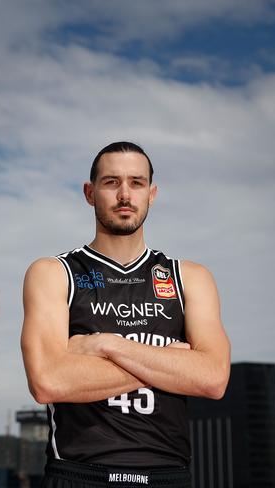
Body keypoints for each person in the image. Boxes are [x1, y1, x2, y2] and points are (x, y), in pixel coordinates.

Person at [20, 141, 230, 488]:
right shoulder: (55, 273)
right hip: (79, 474)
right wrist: (173, 363)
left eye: (136, 182)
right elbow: (48, 382)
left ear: (152, 193)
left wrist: (106, 345)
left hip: (168, 476)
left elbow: (213, 378)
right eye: (111, 182)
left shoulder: (189, 277)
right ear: (90, 193)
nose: (124, 195)